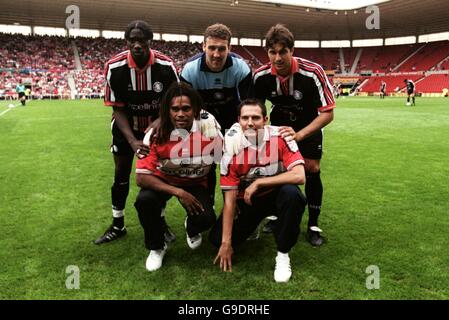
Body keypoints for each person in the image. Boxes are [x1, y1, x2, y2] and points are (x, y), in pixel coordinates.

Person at [95, 20, 179, 245]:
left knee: (159, 176)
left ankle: (160, 222)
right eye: (133, 40)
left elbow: (176, 102)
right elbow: (117, 108)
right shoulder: (115, 67)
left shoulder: (166, 66)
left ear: (150, 41)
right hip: (126, 129)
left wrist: (161, 120)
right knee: (121, 174)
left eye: (142, 40)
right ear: (127, 42)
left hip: (157, 129)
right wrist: (132, 140)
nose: (137, 45)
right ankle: (117, 224)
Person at [253, 24, 335, 247]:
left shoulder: (312, 72)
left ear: (292, 50)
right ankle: (277, 214)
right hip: (279, 125)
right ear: (267, 52)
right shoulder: (260, 76)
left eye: (283, 52)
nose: (277, 58)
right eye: (272, 52)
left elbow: (328, 114)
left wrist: (299, 135)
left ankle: (313, 224)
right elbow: (254, 110)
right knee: (277, 169)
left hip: (309, 125)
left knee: (311, 169)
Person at [209, 99, 306, 282]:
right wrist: (226, 243)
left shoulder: (281, 137)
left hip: (276, 195)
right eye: (245, 118)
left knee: (293, 195)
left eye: (256, 117)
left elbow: (299, 175)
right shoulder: (231, 148)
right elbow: (229, 201)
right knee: (215, 240)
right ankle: (253, 226)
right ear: (239, 120)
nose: (250, 122)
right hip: (248, 200)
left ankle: (283, 254)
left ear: (266, 120)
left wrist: (261, 182)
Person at [134, 82, 222, 271]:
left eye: (186, 109)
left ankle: (191, 227)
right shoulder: (155, 134)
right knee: (145, 200)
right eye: (175, 109)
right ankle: (157, 247)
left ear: (196, 109)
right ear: (167, 110)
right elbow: (141, 178)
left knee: (207, 218)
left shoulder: (209, 127)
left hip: (195, 181)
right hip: (164, 180)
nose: (180, 114)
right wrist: (178, 192)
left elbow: (225, 159)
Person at [180, 23, 253, 205]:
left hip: (232, 120)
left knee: (239, 164)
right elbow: (186, 107)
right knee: (207, 164)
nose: (216, 54)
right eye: (211, 48)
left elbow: (248, 106)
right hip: (204, 121)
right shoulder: (190, 69)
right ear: (203, 46)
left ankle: (240, 206)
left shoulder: (241, 67)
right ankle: (208, 205)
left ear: (230, 47)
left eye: (222, 49)